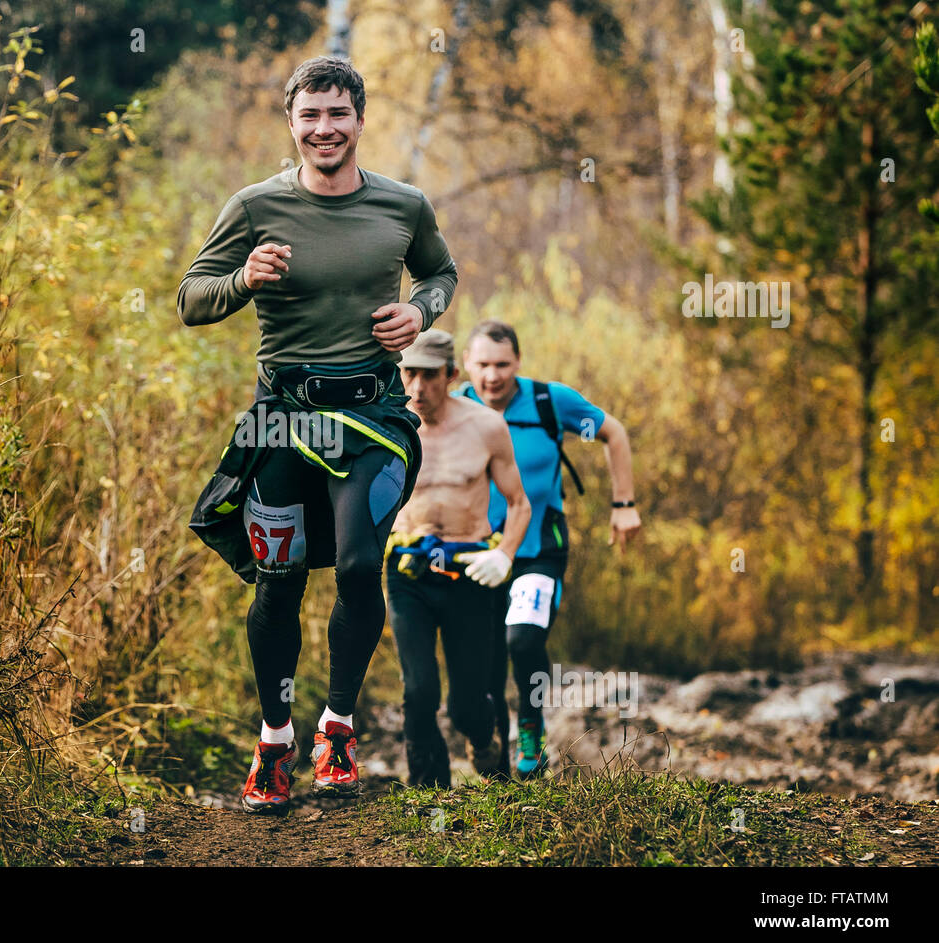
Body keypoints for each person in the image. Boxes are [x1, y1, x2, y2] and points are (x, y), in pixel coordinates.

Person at [178, 56, 459, 813]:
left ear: (360, 121)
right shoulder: (254, 207)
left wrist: (421, 314)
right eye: (310, 116)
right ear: (292, 123)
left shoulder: (403, 206)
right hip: (284, 421)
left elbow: (441, 274)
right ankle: (275, 739)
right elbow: (190, 299)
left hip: (373, 417)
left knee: (361, 563)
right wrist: (244, 281)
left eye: (338, 115)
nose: (324, 129)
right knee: (279, 579)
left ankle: (337, 725)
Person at [456, 320, 641, 778]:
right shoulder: (454, 404)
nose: (492, 376)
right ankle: (496, 760)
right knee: (487, 659)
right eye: (482, 365)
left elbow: (612, 433)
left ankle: (532, 726)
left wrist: (624, 504)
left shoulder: (547, 402)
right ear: (466, 365)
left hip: (540, 547)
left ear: (518, 363)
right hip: (478, 550)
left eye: (502, 365)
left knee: (522, 638)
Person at [384, 329, 531, 788]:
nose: (417, 388)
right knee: (418, 689)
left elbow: (519, 503)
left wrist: (504, 555)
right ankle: (428, 793)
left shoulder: (485, 425)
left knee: (470, 701)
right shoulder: (387, 424)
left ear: (450, 374)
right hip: (409, 570)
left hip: (471, 570)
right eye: (409, 373)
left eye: (429, 376)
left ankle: (486, 749)